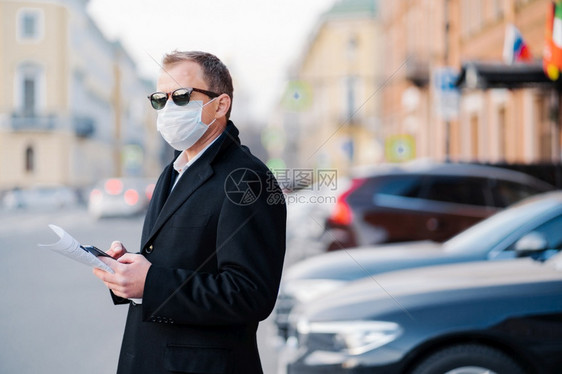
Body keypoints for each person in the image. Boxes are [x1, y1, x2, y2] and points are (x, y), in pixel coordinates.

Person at [93, 50, 286, 374]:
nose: (168, 108)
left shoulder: (248, 179)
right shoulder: (173, 171)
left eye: (181, 96)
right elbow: (179, 260)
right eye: (160, 99)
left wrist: (151, 283)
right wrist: (127, 271)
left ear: (221, 105)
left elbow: (251, 295)